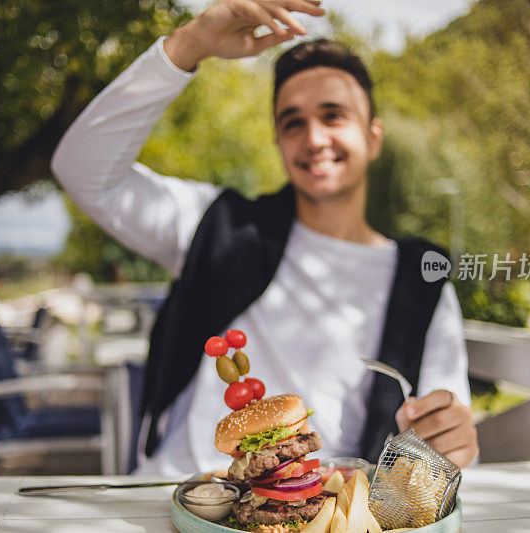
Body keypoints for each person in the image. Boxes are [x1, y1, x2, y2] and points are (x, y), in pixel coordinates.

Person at [51, 0, 479, 476]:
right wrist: (189, 43)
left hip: (324, 516)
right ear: (278, 142)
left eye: (333, 115)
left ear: (373, 137)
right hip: (181, 497)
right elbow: (81, 170)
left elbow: (442, 442)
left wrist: (450, 441)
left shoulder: (422, 287)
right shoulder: (216, 226)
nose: (314, 138)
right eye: (293, 122)